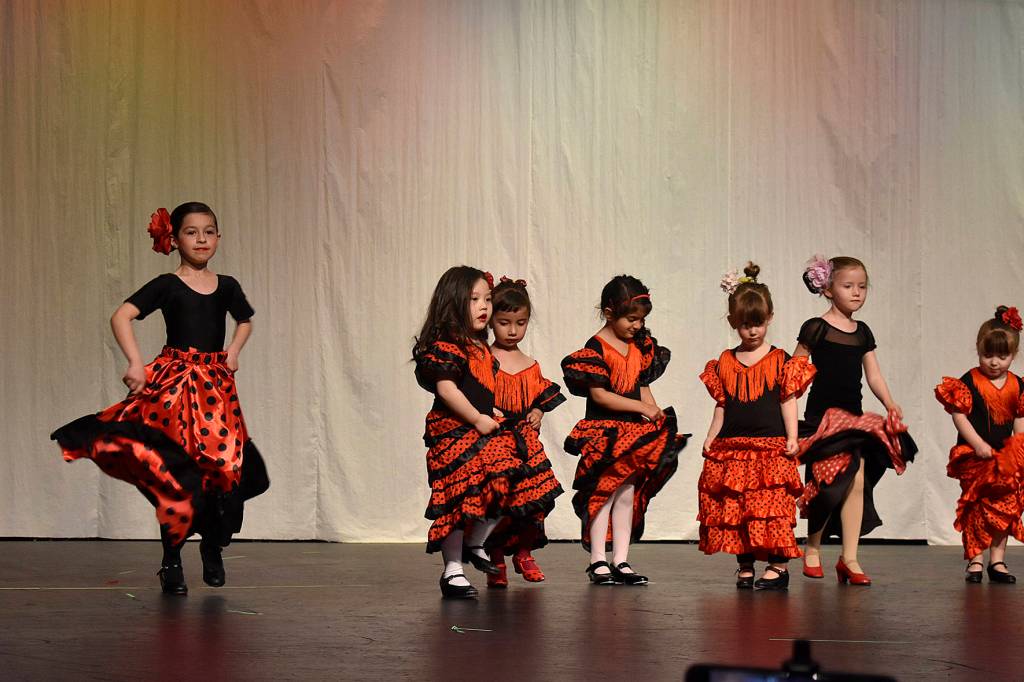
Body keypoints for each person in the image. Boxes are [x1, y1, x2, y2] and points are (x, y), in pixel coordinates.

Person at [51, 202, 269, 595]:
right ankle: (171, 560)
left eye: (208, 231)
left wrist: (234, 351)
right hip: (175, 386)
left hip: (215, 392)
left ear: (218, 237)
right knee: (177, 473)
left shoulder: (228, 285)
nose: (201, 239)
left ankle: (214, 546)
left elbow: (245, 320)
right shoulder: (167, 285)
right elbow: (122, 316)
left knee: (226, 470)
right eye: (191, 231)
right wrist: (135, 363)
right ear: (174, 238)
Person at [561, 275, 687, 585]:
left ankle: (621, 559)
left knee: (627, 495)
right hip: (605, 434)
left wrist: (654, 413)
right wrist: (641, 409)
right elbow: (600, 395)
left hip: (632, 434)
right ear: (608, 313)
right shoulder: (595, 348)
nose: (637, 325)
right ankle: (598, 560)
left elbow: (640, 385)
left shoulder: (639, 346)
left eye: (641, 320)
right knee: (603, 494)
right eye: (631, 318)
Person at [698, 263, 814, 590]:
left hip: (770, 446)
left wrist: (792, 437)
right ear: (734, 322)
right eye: (745, 325)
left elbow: (787, 400)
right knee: (739, 507)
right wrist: (711, 437)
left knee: (772, 507)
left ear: (770, 318)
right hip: (734, 446)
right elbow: (722, 405)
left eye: (758, 324)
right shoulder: (724, 361)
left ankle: (778, 565)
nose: (752, 332)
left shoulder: (780, 360)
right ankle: (745, 563)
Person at [935, 306, 1024, 584]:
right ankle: (975, 558)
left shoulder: (1018, 385)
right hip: (975, 456)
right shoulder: (969, 381)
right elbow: (959, 415)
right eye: (988, 355)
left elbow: (1019, 419)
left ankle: (997, 561)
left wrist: (1016, 449)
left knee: (1005, 508)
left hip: (1003, 458)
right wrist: (978, 444)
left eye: (1003, 356)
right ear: (978, 350)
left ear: (1014, 355)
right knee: (977, 507)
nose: (995, 362)